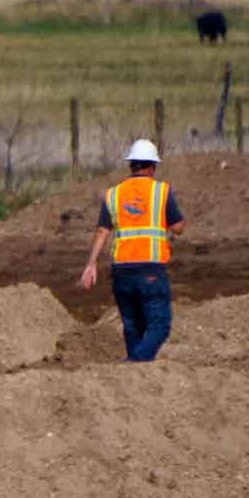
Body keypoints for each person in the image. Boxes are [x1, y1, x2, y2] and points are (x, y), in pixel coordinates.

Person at [79, 139, 185, 362]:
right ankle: (132, 367)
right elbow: (178, 227)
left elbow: (101, 231)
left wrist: (91, 265)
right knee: (159, 327)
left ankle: (132, 380)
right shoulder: (161, 191)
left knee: (132, 328)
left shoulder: (114, 194)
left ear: (131, 166)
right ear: (152, 166)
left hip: (121, 272)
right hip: (150, 270)